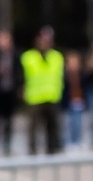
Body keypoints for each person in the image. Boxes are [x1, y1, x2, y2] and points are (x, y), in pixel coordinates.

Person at [20, 25, 64, 155]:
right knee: (33, 127)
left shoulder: (57, 56)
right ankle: (32, 151)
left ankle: (52, 150)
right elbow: (21, 75)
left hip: (52, 95)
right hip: (34, 96)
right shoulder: (28, 57)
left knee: (53, 126)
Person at [62, 48, 85, 149]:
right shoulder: (64, 74)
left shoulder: (81, 74)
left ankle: (78, 141)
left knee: (77, 123)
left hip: (78, 100)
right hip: (68, 101)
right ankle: (69, 142)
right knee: (68, 123)